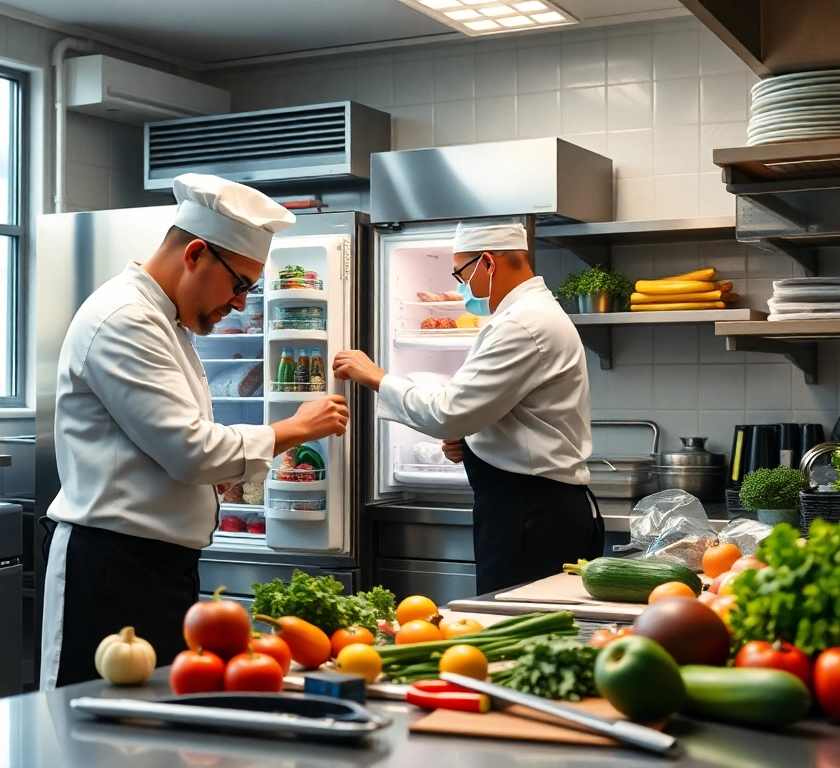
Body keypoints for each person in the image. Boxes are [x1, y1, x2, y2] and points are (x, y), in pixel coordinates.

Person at [41, 173, 349, 689]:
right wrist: (291, 429)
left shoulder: (165, 321)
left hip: (156, 565)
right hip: (113, 567)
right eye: (240, 285)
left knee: (154, 733)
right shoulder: (125, 319)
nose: (241, 303)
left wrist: (212, 481)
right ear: (196, 254)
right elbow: (188, 450)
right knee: (93, 739)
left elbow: (162, 448)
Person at [333, 219, 601, 595]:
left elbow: (447, 413)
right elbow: (500, 411)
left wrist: (376, 377)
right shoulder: (528, 314)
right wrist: (474, 438)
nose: (462, 288)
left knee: (513, 631)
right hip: (533, 508)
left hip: (529, 513)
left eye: (461, 273)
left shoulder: (521, 324)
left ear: (488, 263)